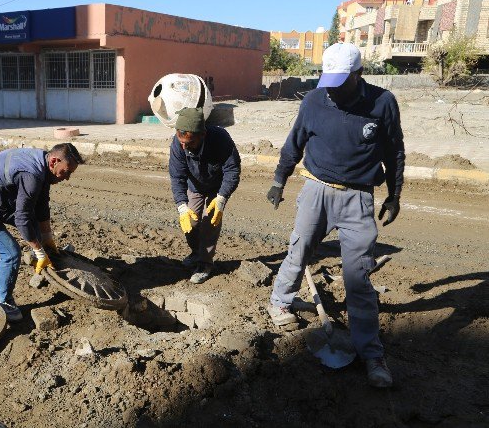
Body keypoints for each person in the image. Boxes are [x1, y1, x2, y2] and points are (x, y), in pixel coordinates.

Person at [265, 43, 405, 388]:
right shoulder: (314, 99)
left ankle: (371, 352)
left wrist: (394, 196)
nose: (333, 89)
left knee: (358, 274)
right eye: (329, 80)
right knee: (299, 249)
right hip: (316, 190)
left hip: (358, 198)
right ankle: (280, 302)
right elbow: (294, 141)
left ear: (359, 74)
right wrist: (279, 180)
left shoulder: (382, 103)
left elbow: (395, 151)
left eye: (341, 81)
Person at [0, 143, 83, 322]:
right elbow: (22, 217)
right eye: (66, 171)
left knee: (35, 231)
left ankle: (44, 261)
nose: (67, 178)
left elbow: (41, 206)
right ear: (54, 161)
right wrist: (38, 249)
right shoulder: (31, 174)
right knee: (11, 252)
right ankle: (4, 303)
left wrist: (47, 240)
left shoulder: (43, 165)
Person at [169, 107, 241, 284]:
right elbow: (177, 176)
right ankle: (196, 253)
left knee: (210, 223)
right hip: (195, 186)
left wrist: (222, 198)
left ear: (202, 134)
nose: (184, 146)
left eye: (190, 142)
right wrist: (181, 206)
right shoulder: (178, 143)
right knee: (190, 222)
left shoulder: (220, 139)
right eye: (181, 141)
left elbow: (232, 170)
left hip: (217, 188)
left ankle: (205, 264)